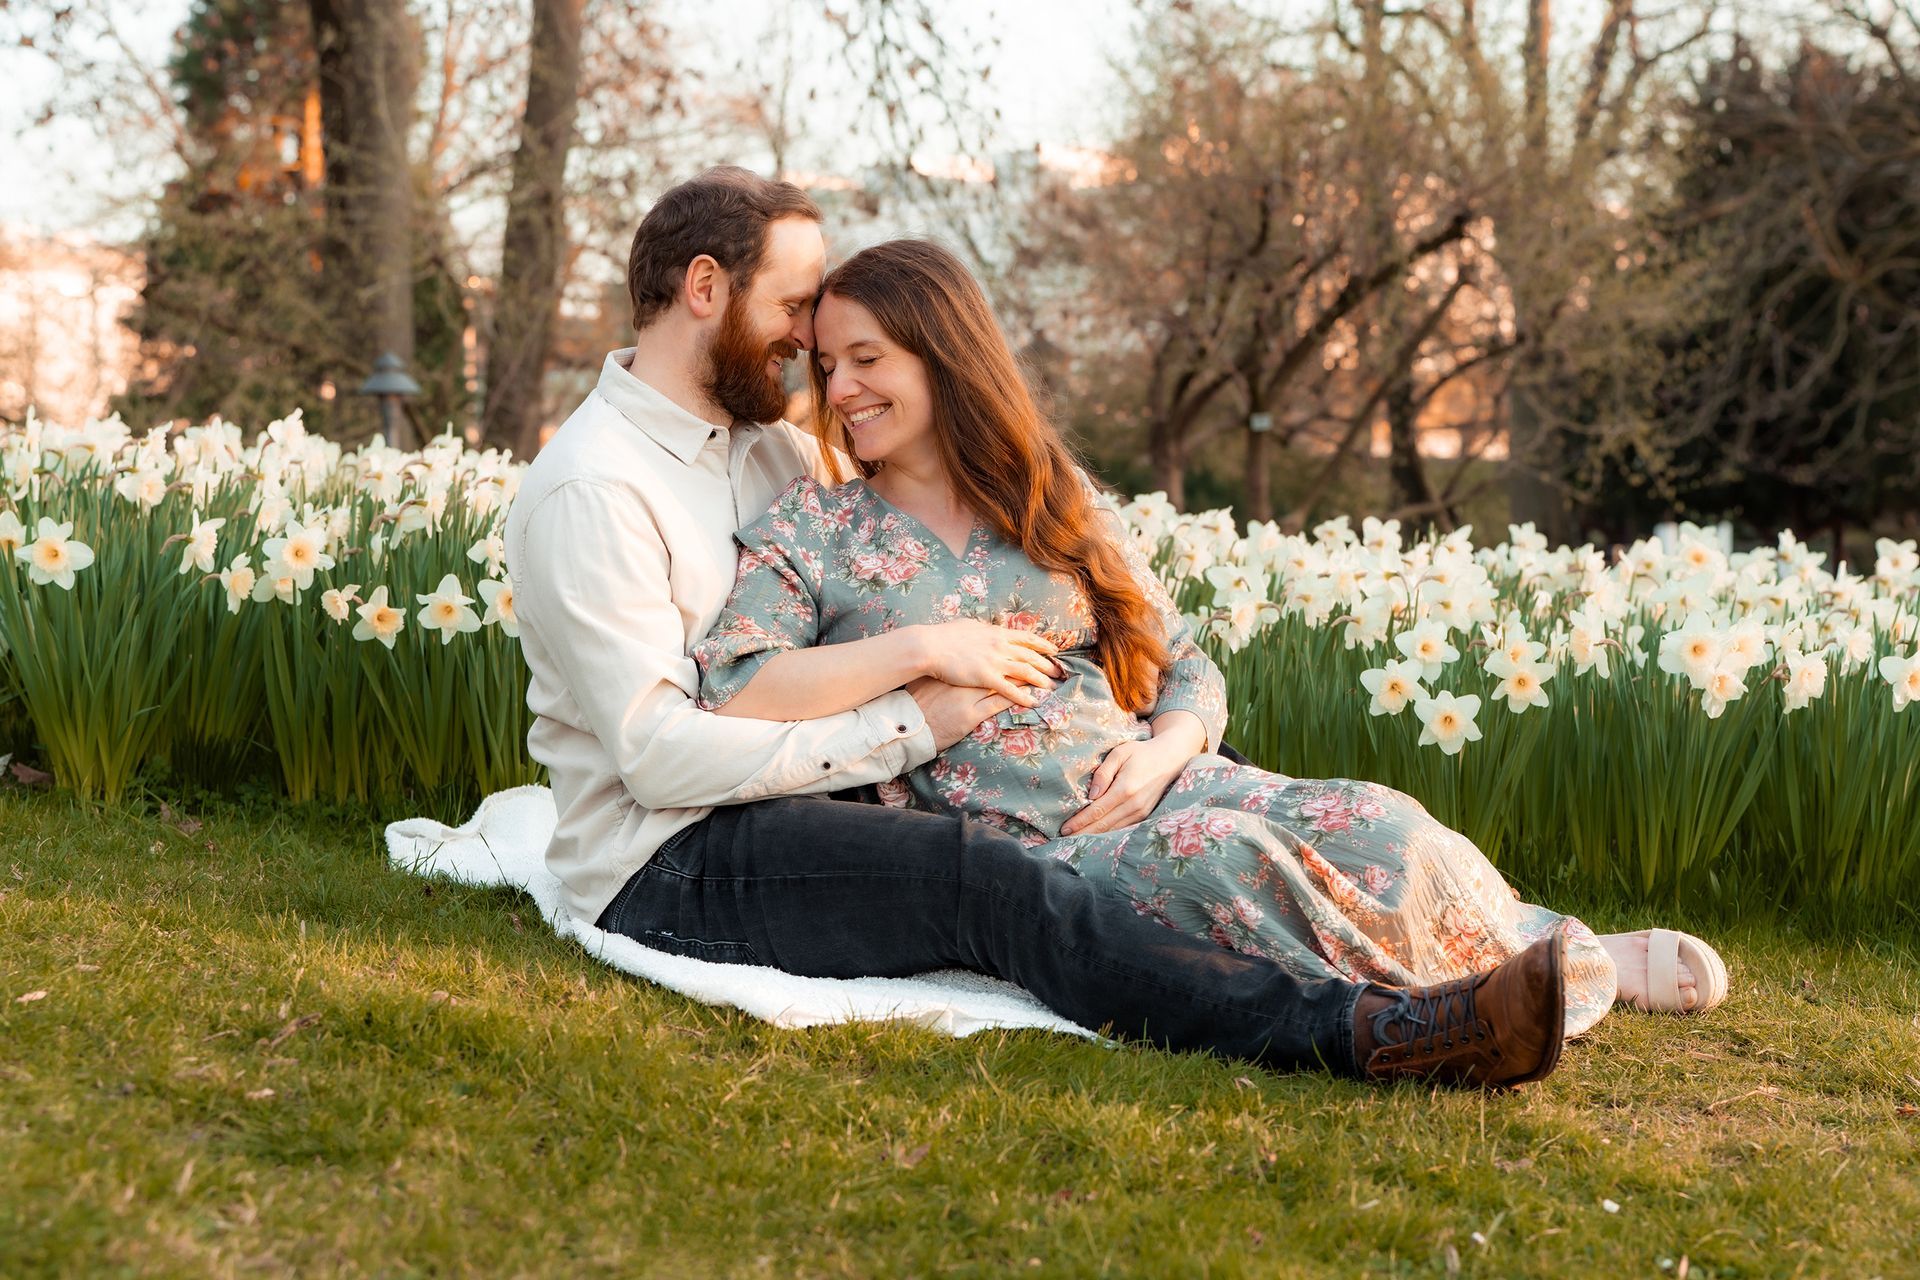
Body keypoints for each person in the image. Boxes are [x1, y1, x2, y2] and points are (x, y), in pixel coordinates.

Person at [505, 166, 1570, 1090]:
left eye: (843, 348)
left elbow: (1145, 639)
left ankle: (1532, 961)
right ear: (705, 288)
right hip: (672, 850)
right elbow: (665, 748)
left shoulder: (770, 449)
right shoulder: (597, 490)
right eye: (798, 317)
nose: (810, 352)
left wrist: (1162, 743)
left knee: (1337, 813)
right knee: (982, 876)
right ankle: (1363, 1033)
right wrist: (915, 709)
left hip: (826, 787)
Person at [690, 237, 1726, 1027]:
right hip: (1034, 846)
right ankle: (1470, 1000)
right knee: (1229, 863)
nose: (841, 390)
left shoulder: (1051, 498)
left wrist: (1163, 755)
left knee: (1381, 820)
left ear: (944, 356)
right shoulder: (817, 527)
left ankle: (1557, 949)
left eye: (866, 359)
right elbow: (736, 683)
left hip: (1167, 783)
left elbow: (1181, 663)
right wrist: (925, 649)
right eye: (826, 366)